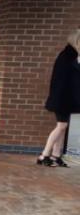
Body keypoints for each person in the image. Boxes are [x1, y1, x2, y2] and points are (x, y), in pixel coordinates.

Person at [38, 29, 80, 167]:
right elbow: (62, 81)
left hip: (66, 99)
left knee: (63, 127)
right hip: (62, 99)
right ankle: (44, 155)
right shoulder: (67, 57)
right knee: (61, 126)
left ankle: (56, 156)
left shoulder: (71, 55)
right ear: (76, 41)